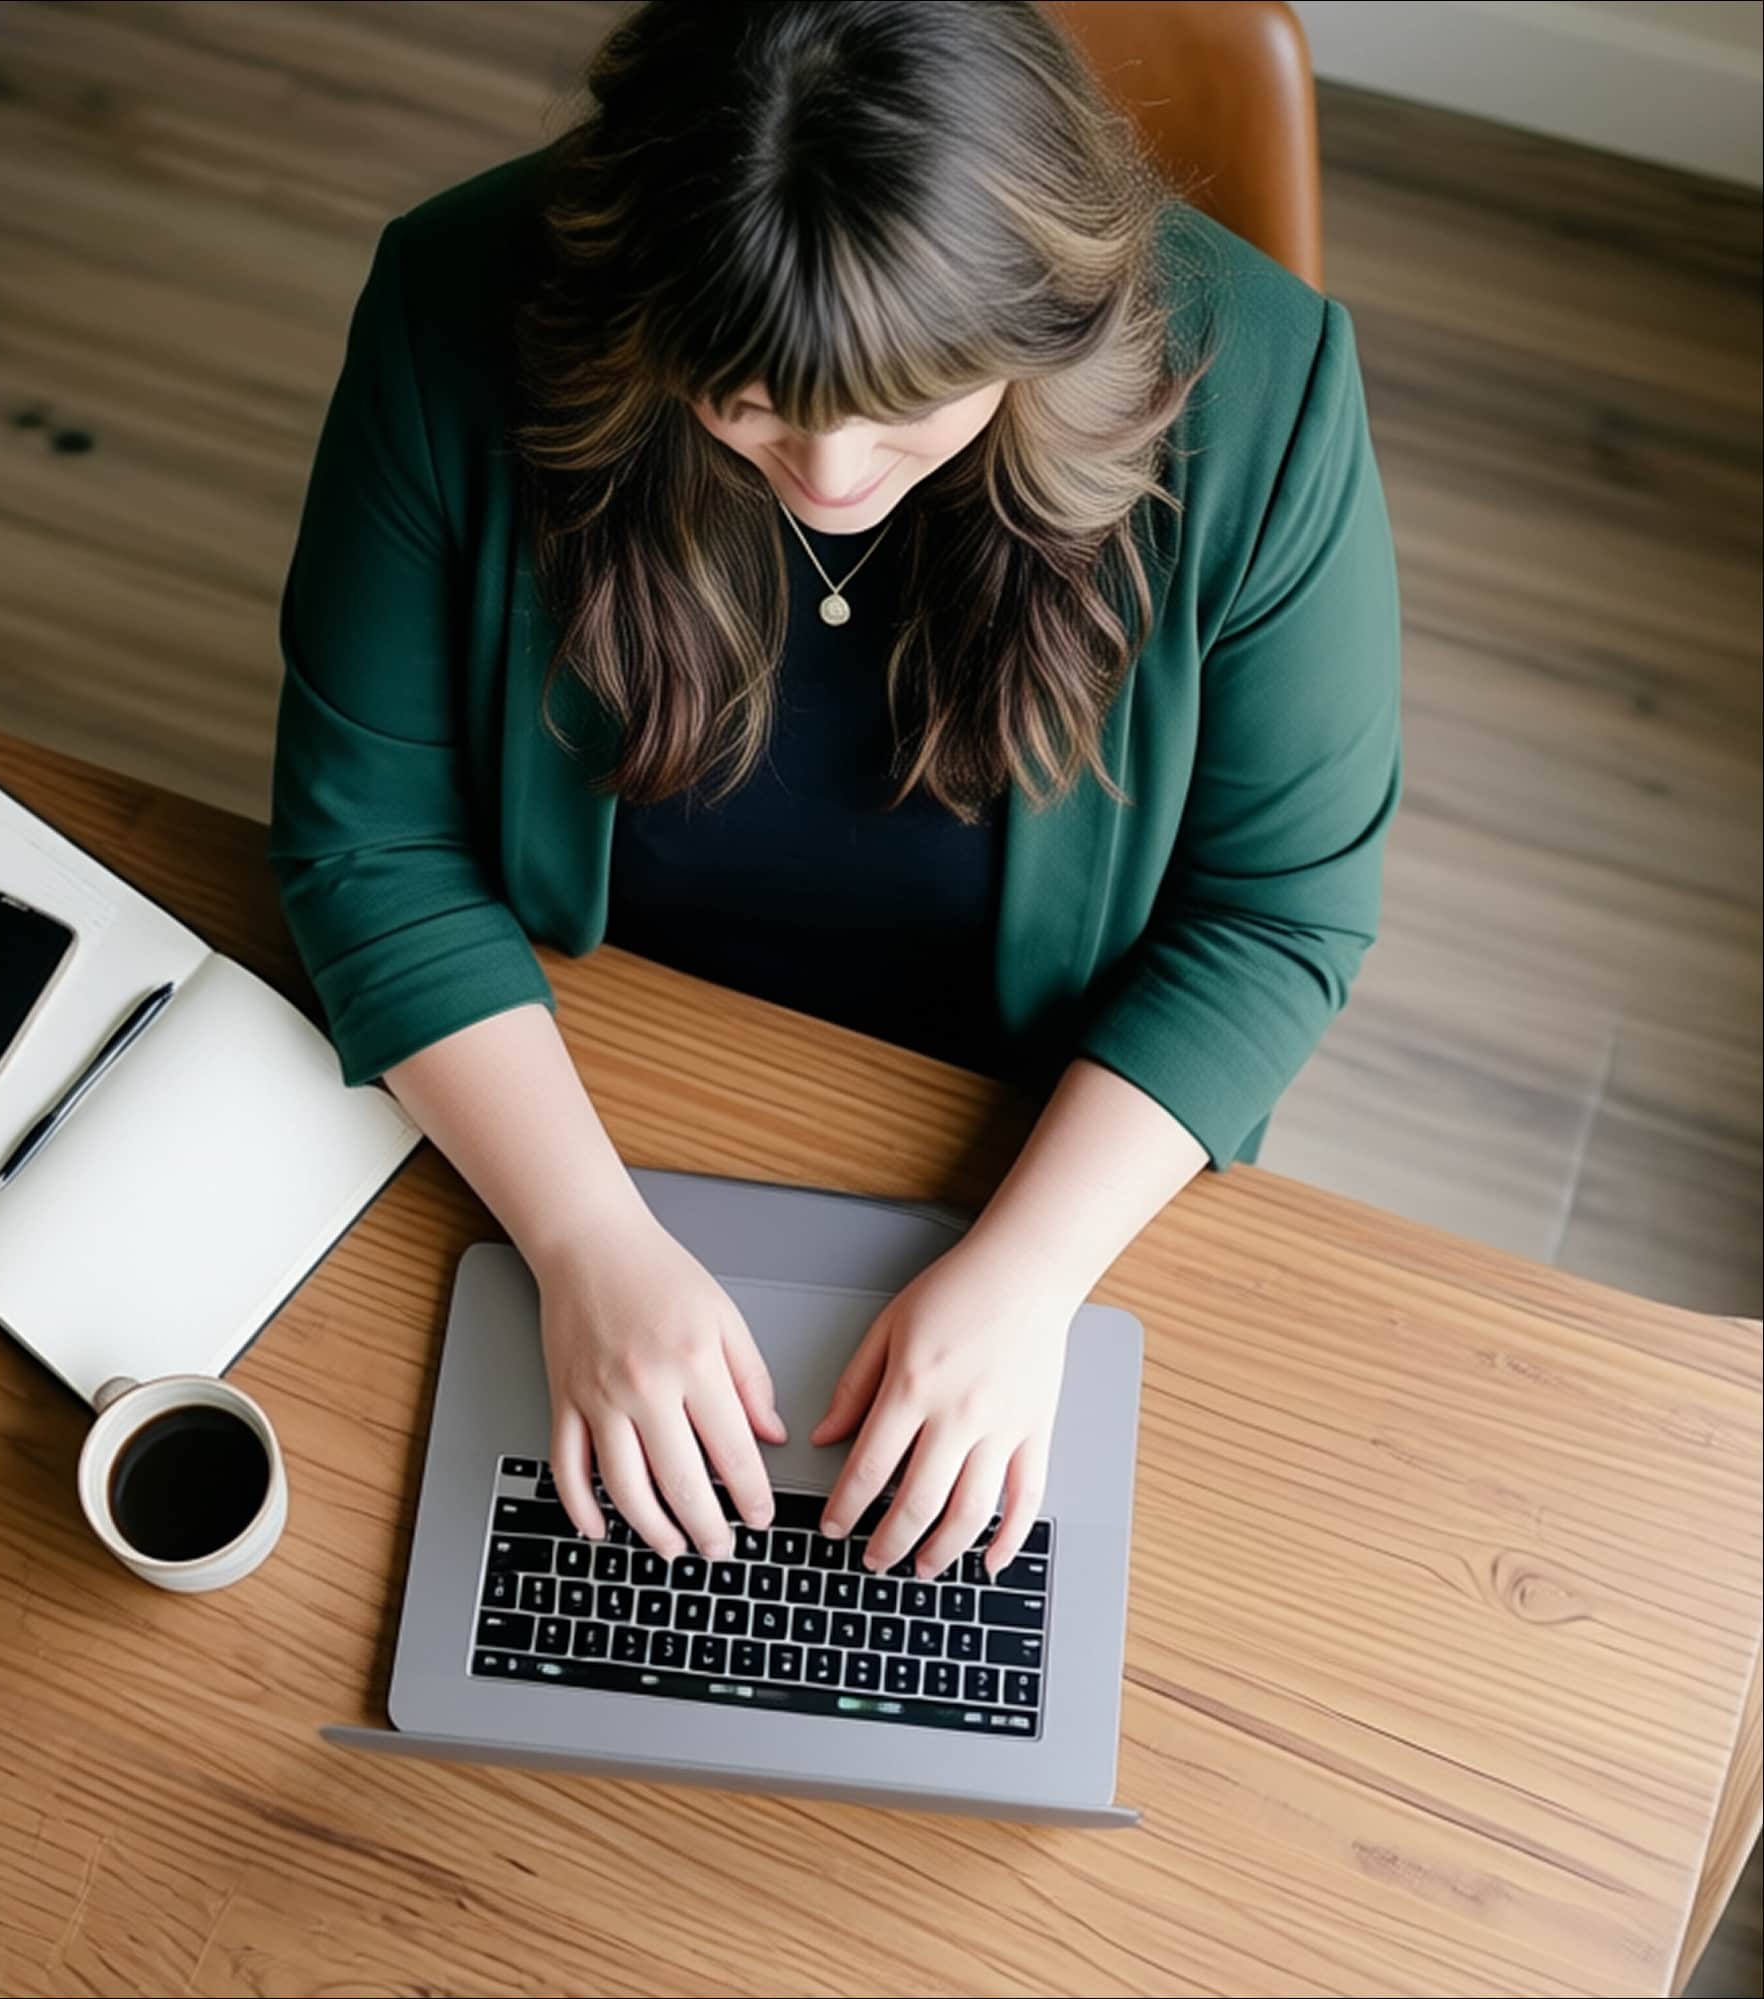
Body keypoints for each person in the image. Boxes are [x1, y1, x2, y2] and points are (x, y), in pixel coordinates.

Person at [266, 0, 1401, 1591]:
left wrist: (1023, 1283)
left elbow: (1280, 914)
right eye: (745, 401)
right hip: (575, 1066)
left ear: (1042, 327)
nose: (834, 475)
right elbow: (366, 839)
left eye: (915, 403)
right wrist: (587, 1249)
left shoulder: (1267, 398)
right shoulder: (457, 303)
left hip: (1028, 1128)